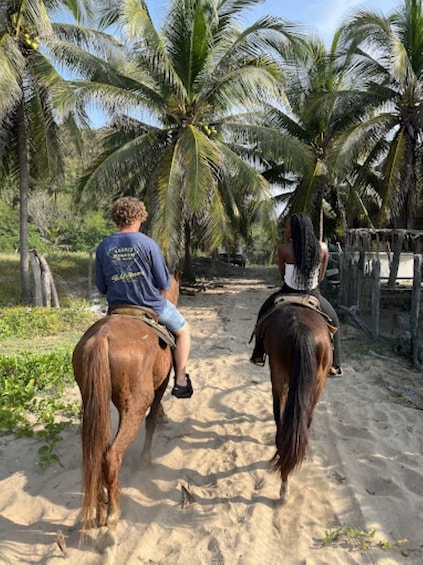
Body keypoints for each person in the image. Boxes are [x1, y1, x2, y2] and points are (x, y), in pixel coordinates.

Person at [95, 197, 193, 398]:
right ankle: (181, 380)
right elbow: (164, 284)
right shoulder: (147, 243)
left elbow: (101, 286)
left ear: (117, 219)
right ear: (139, 217)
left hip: (117, 308)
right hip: (151, 306)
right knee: (184, 331)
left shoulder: (104, 246)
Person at [250, 212, 343, 376]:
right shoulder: (323, 248)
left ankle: (258, 353)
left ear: (295, 230)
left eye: (287, 227)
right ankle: (335, 364)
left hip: (288, 290)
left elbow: (282, 274)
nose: (285, 230)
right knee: (334, 320)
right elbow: (321, 276)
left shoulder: (284, 249)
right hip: (313, 293)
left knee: (263, 313)